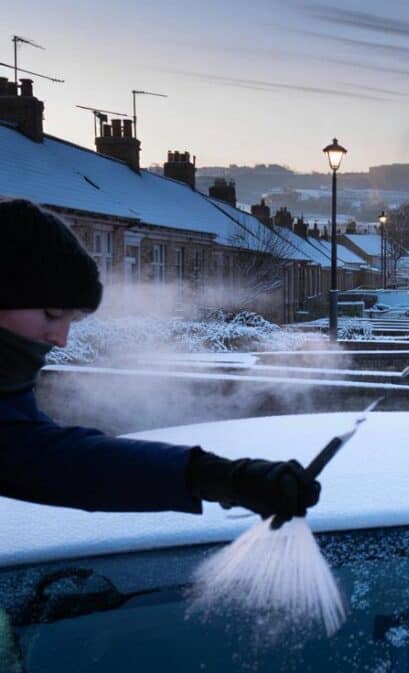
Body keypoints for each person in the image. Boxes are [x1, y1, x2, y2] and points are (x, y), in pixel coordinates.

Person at [0, 199, 318, 524]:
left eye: (72, 321)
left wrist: (224, 478)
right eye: (52, 314)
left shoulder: (9, 385)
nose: (61, 339)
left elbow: (46, 458)